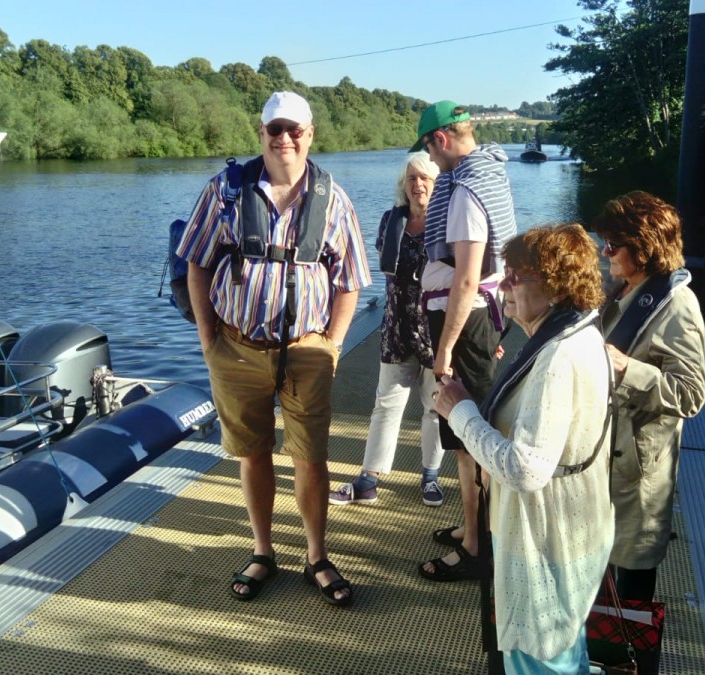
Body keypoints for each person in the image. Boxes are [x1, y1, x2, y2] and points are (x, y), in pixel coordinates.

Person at [175, 91, 372, 606]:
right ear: (260, 134)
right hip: (236, 348)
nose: (285, 139)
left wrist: (333, 344)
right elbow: (196, 263)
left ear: (310, 135)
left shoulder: (334, 199)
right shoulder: (224, 192)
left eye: (295, 130)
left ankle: (316, 557)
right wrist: (207, 338)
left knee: (311, 457)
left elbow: (349, 279)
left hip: (306, 350)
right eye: (275, 130)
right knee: (253, 453)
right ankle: (263, 552)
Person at [432, 223, 614, 674]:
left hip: (547, 544)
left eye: (516, 275)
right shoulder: (575, 334)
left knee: (541, 660)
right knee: (564, 654)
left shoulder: (556, 357)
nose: (503, 283)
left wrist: (462, 413)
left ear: (555, 286)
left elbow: (528, 469)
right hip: (571, 534)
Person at [411, 101, 517, 581]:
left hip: (466, 321)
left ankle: (478, 548)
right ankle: (476, 526)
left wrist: (445, 349)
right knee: (469, 434)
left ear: (441, 139)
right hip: (484, 320)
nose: (431, 163)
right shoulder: (490, 173)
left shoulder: (466, 189)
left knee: (468, 437)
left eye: (430, 151)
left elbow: (468, 279)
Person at [590, 191, 705, 602]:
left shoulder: (678, 305)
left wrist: (626, 368)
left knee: (632, 582)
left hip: (638, 468)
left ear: (645, 247)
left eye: (614, 244)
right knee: (594, 570)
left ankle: (631, 663)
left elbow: (691, 395)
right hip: (599, 458)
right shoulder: (620, 289)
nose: (606, 252)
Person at [328, 152, 446, 508]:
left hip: (436, 329)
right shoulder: (388, 221)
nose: (418, 185)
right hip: (396, 326)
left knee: (435, 408)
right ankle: (369, 478)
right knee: (385, 405)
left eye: (425, 178)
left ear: (436, 183)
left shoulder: (447, 223)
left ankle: (430, 475)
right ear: (403, 185)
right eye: (412, 179)